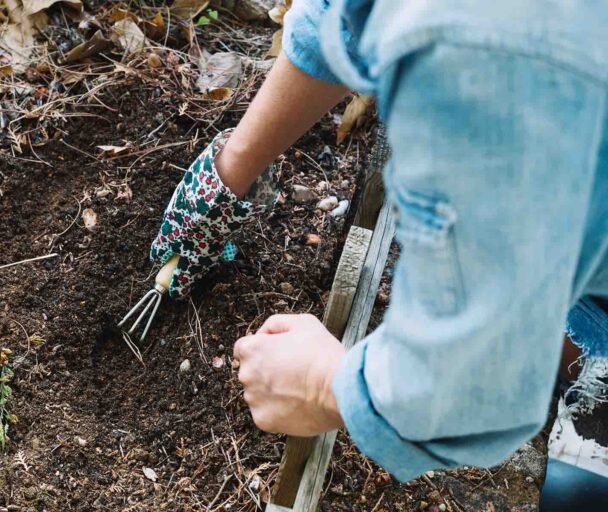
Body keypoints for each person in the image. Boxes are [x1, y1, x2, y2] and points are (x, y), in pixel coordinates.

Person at [149, 0, 608, 482]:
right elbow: (342, 16)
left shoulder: (489, 83)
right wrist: (230, 170)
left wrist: (323, 384)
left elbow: (470, 378)